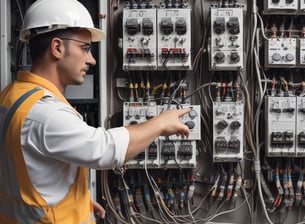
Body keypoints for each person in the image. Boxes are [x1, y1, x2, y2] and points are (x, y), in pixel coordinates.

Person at [0, 0, 191, 223]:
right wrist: (160, 123)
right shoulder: (46, 114)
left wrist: (79, 203)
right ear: (57, 47)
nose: (91, 60)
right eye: (85, 48)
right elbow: (105, 149)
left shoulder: (12, 95)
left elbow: (29, 178)